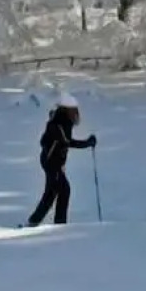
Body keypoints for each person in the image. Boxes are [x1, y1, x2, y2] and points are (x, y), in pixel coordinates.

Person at [25, 93, 97, 226]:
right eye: (74, 110)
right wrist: (87, 143)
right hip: (53, 163)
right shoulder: (60, 122)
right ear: (68, 110)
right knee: (63, 190)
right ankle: (58, 224)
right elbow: (67, 142)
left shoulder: (60, 121)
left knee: (53, 192)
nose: (77, 113)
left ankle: (35, 221)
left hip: (52, 162)